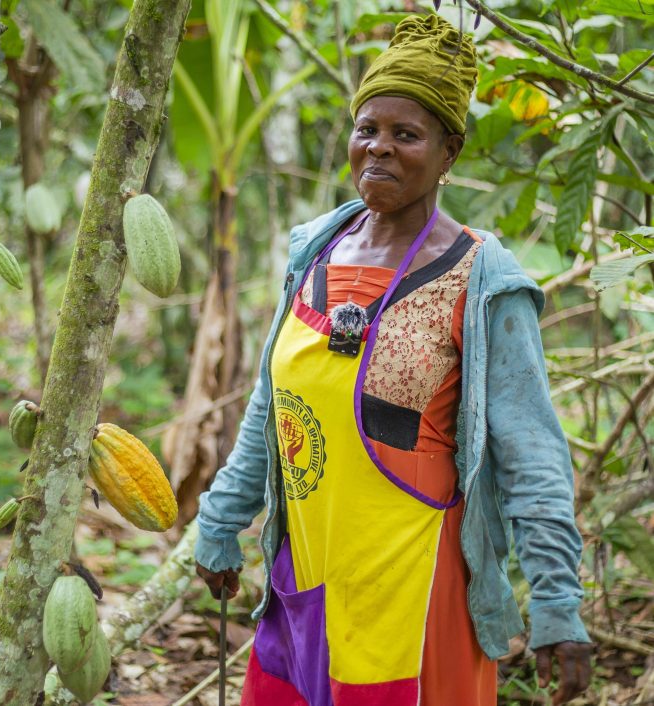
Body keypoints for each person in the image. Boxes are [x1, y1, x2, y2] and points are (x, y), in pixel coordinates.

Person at [193, 14, 592, 706]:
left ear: (448, 153)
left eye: (405, 135)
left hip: (413, 587)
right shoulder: (315, 247)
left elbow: (533, 456)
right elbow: (273, 406)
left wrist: (558, 602)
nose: (378, 149)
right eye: (366, 129)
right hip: (308, 571)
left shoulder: (482, 278)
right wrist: (219, 521)